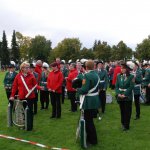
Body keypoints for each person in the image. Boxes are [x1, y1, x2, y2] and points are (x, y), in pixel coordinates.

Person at [9, 62, 43, 131]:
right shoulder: (18, 76)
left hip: (30, 97)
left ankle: (30, 127)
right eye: (26, 67)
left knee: (30, 112)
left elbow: (35, 85)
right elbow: (14, 86)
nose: (28, 69)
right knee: (23, 111)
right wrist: (12, 95)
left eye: (28, 67)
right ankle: (25, 125)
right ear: (22, 68)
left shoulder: (31, 76)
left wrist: (40, 88)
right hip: (22, 96)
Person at [77, 60, 100, 145]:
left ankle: (92, 140)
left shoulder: (86, 76)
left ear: (86, 67)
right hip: (95, 99)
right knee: (90, 120)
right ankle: (91, 139)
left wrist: (77, 89)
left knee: (88, 121)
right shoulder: (96, 75)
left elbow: (84, 90)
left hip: (89, 101)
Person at [115, 61, 135, 131]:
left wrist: (124, 94)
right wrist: (118, 94)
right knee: (122, 111)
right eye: (121, 68)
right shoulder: (118, 76)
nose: (122, 69)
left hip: (127, 97)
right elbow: (116, 86)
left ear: (127, 69)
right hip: (120, 96)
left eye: (123, 68)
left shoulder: (131, 76)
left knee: (127, 111)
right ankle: (123, 123)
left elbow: (131, 87)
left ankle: (127, 125)